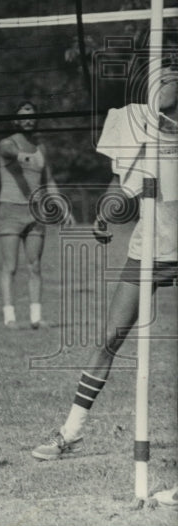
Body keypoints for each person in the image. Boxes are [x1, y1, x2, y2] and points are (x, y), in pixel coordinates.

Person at [31, 43, 177, 464]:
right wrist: (105, 214)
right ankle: (70, 433)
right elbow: (123, 189)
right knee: (108, 338)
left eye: (169, 75)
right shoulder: (139, 128)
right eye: (156, 76)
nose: (160, 83)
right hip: (149, 250)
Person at [0, 100, 72, 330]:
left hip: (36, 213)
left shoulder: (41, 147)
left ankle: (35, 317)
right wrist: (23, 157)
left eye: (31, 115)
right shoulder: (7, 143)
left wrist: (63, 207)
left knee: (35, 265)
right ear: (16, 120)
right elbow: (9, 152)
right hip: (11, 210)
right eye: (23, 115)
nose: (28, 119)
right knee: (10, 266)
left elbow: (48, 181)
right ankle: (9, 317)